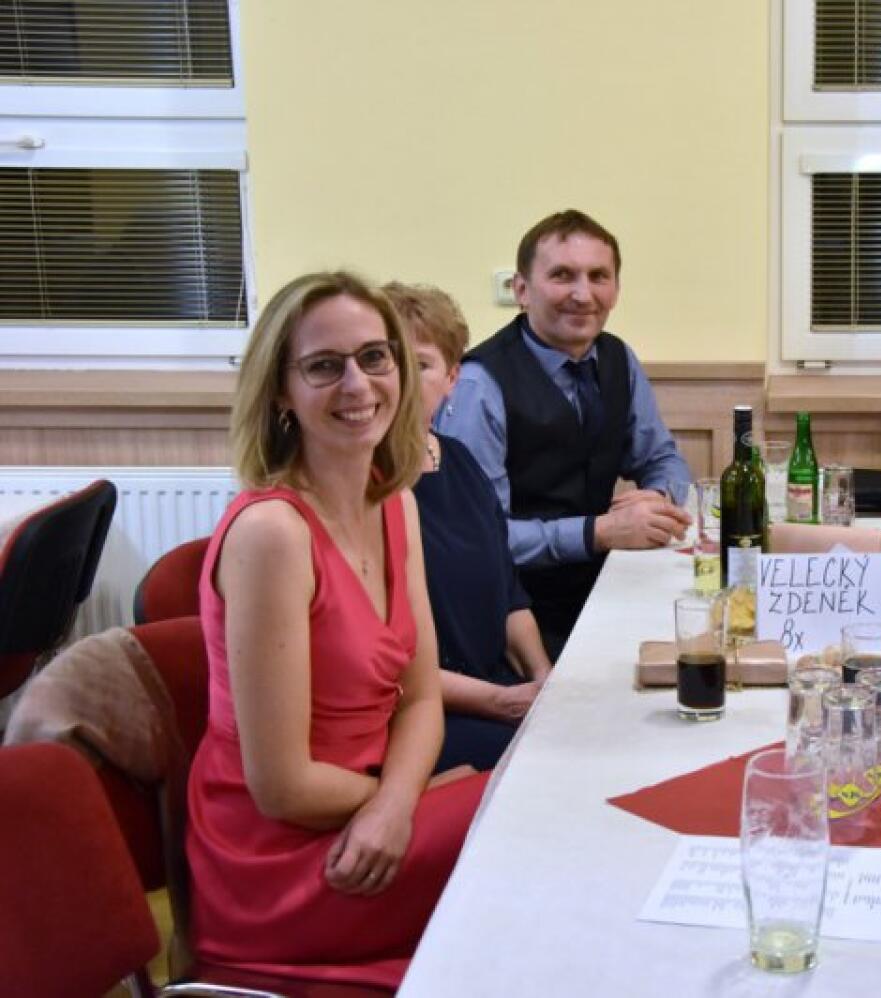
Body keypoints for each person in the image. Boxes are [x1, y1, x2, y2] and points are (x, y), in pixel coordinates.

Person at [186, 272, 486, 989]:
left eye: (374, 357)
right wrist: (407, 799)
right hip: (283, 861)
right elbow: (282, 787)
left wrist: (402, 798)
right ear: (281, 393)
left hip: (370, 811)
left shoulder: (396, 503)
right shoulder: (273, 533)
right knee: (537, 818)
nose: (358, 384)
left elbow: (420, 698)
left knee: (539, 822)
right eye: (324, 366)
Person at [436, 209, 692, 658]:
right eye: (562, 275)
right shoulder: (480, 385)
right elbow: (481, 537)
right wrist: (598, 532)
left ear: (616, 289)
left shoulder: (618, 359)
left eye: (598, 276)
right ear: (521, 290)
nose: (583, 294)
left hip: (609, 590)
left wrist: (659, 501)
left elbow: (662, 459)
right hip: (515, 622)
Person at [384, 281, 552, 772]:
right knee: (560, 761)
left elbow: (510, 595)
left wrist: (543, 677)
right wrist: (507, 702)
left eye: (420, 365)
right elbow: (386, 666)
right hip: (421, 712)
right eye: (386, 361)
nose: (401, 381)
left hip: (495, 685)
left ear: (452, 378)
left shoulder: (459, 460)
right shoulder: (363, 487)